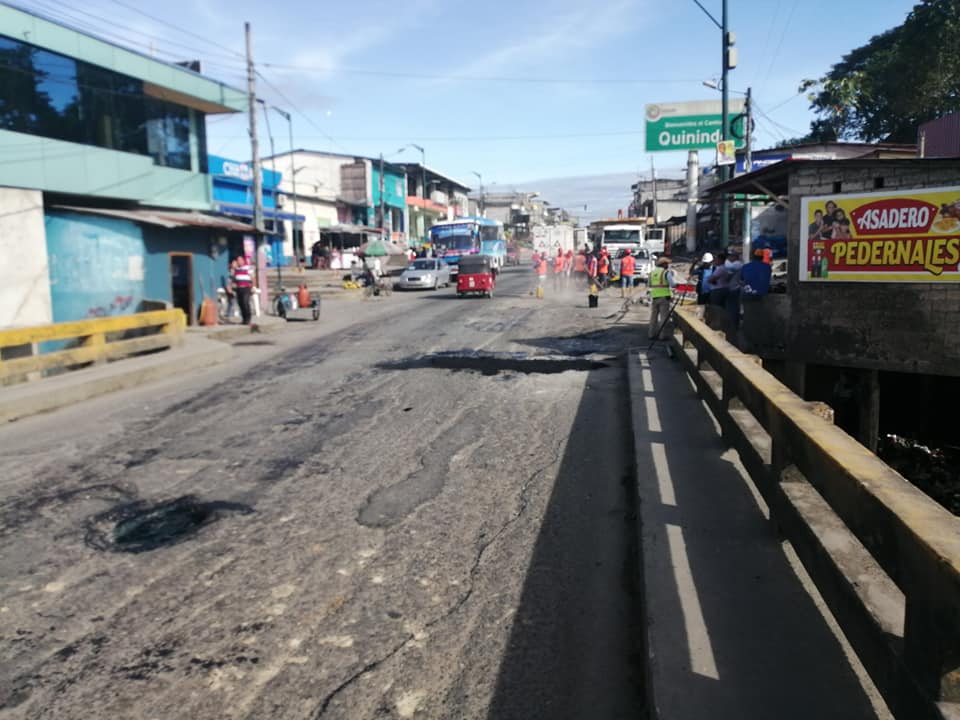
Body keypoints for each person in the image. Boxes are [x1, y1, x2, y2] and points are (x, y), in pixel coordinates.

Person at [648, 256, 675, 341]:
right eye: (667, 264)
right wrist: (677, 285)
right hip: (664, 298)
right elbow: (672, 284)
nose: (668, 265)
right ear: (664, 264)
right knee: (663, 317)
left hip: (654, 297)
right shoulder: (666, 273)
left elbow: (649, 284)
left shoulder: (652, 273)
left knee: (653, 317)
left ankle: (651, 334)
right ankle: (662, 336)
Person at [231, 254, 255, 325]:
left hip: (246, 288)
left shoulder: (248, 268)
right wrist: (233, 269)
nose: (239, 262)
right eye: (238, 260)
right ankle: (244, 319)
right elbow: (234, 279)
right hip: (239, 288)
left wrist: (253, 287)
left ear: (243, 261)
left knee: (245, 303)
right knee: (240, 304)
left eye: (240, 260)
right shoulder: (236, 269)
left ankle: (248, 319)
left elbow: (253, 278)